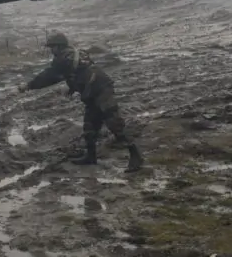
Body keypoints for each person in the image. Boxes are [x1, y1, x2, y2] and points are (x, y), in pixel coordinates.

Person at [18, 31, 143, 172]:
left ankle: (135, 156)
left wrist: (28, 86)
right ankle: (91, 157)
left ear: (58, 47)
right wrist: (72, 87)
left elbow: (49, 76)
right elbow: (77, 72)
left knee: (115, 124)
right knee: (89, 126)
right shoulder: (75, 53)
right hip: (93, 91)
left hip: (101, 91)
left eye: (52, 47)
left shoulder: (63, 59)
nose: (51, 50)